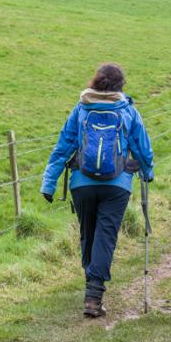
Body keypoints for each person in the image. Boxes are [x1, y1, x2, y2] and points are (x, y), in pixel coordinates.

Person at [41, 63, 154, 318]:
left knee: (88, 234)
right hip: (117, 185)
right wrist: (148, 172)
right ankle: (94, 294)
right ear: (120, 85)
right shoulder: (128, 111)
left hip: (82, 183)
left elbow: (63, 147)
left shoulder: (81, 109)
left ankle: (91, 284)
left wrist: (48, 183)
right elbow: (142, 148)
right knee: (106, 236)